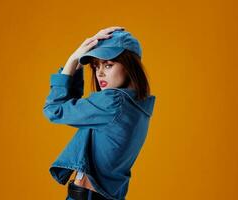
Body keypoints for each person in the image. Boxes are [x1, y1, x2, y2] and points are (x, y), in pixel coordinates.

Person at [43, 26, 156, 200]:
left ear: (129, 66)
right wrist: (80, 66)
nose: (100, 73)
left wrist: (73, 59)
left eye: (108, 65)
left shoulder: (113, 102)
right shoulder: (138, 106)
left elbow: (55, 109)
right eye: (96, 66)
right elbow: (72, 106)